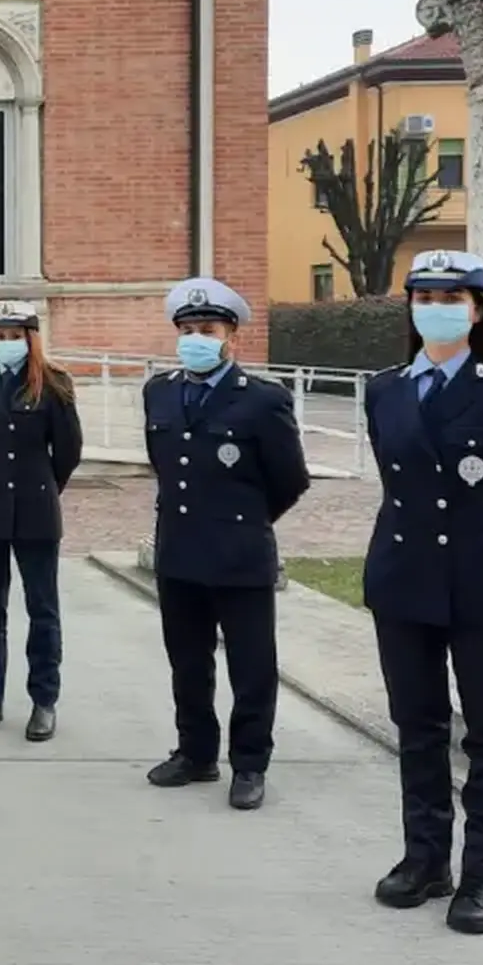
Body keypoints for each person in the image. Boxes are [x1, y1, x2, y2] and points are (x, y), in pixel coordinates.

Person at [360, 250, 483, 936]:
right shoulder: (384, 390)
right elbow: (398, 483)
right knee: (417, 728)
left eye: (452, 295)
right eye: (424, 294)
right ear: (410, 307)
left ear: (477, 309)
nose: (437, 305)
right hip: (403, 579)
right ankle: (425, 858)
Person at [141, 277, 311, 810]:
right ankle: (195, 753)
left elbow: (290, 478)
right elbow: (163, 465)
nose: (196, 338)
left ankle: (250, 764)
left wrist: (245, 522)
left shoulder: (262, 400)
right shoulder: (160, 391)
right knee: (188, 662)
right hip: (179, 554)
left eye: (207, 329)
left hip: (240, 557)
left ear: (230, 336)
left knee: (251, 667)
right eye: (187, 329)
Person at [0, 299, 83, 740]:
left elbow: (67, 452)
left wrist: (42, 487)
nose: (6, 343)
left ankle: (44, 702)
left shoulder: (53, 385)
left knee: (42, 609)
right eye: (0, 335)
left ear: (31, 339)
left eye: (15, 336)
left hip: (35, 512)